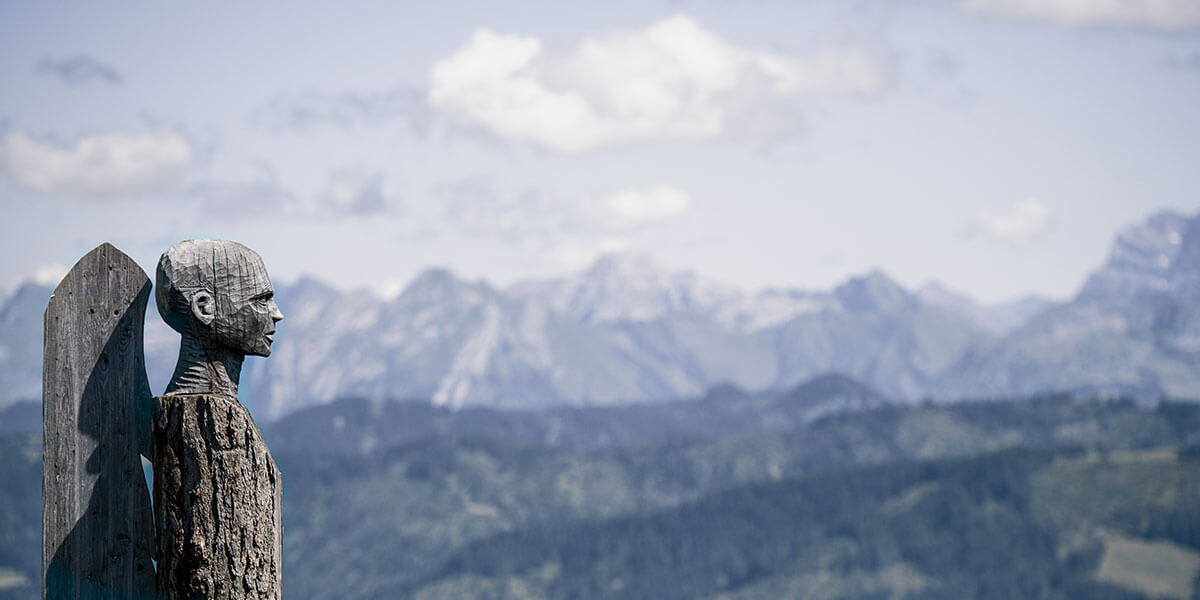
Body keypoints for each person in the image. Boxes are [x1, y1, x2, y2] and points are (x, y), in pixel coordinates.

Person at [153, 239, 284, 600]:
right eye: (260, 299)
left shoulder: (219, 410)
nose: (276, 313)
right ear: (204, 307)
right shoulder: (207, 418)